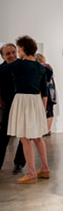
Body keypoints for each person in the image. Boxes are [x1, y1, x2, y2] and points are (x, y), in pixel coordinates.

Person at [0, 36, 50, 184]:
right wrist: (43, 110)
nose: (17, 52)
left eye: (18, 49)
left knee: (24, 138)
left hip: (23, 101)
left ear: (22, 49)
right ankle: (45, 169)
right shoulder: (42, 68)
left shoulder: (18, 65)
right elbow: (44, 91)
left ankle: (32, 173)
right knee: (37, 137)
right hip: (35, 101)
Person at [0, 43, 25, 174]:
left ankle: (19, 163)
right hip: (8, 105)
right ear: (2, 56)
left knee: (25, 136)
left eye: (13, 52)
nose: (11, 56)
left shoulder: (23, 66)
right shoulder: (1, 69)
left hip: (23, 105)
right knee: (3, 136)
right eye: (8, 54)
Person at [34, 53, 55, 136]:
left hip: (43, 91)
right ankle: (47, 129)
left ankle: (44, 129)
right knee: (49, 110)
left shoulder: (38, 67)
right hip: (50, 92)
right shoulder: (48, 66)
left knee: (44, 110)